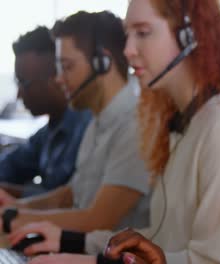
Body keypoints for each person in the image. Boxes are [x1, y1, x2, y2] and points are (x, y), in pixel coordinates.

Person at [11, 0, 220, 263]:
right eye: (127, 35)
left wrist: (90, 261)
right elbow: (160, 237)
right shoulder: (182, 125)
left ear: (190, 35)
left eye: (143, 33)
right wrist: (71, 241)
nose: (128, 50)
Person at [1, 11, 150, 234]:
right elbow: (70, 194)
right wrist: (15, 208)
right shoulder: (98, 122)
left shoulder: (135, 125)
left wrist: (13, 220)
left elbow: (97, 220)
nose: (59, 78)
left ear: (103, 63)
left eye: (67, 67)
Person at [0, 26, 91, 199]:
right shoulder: (48, 132)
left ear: (56, 79)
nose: (19, 94)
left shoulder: (88, 130)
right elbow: (11, 166)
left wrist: (8, 193)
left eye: (23, 83)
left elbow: (72, 200)